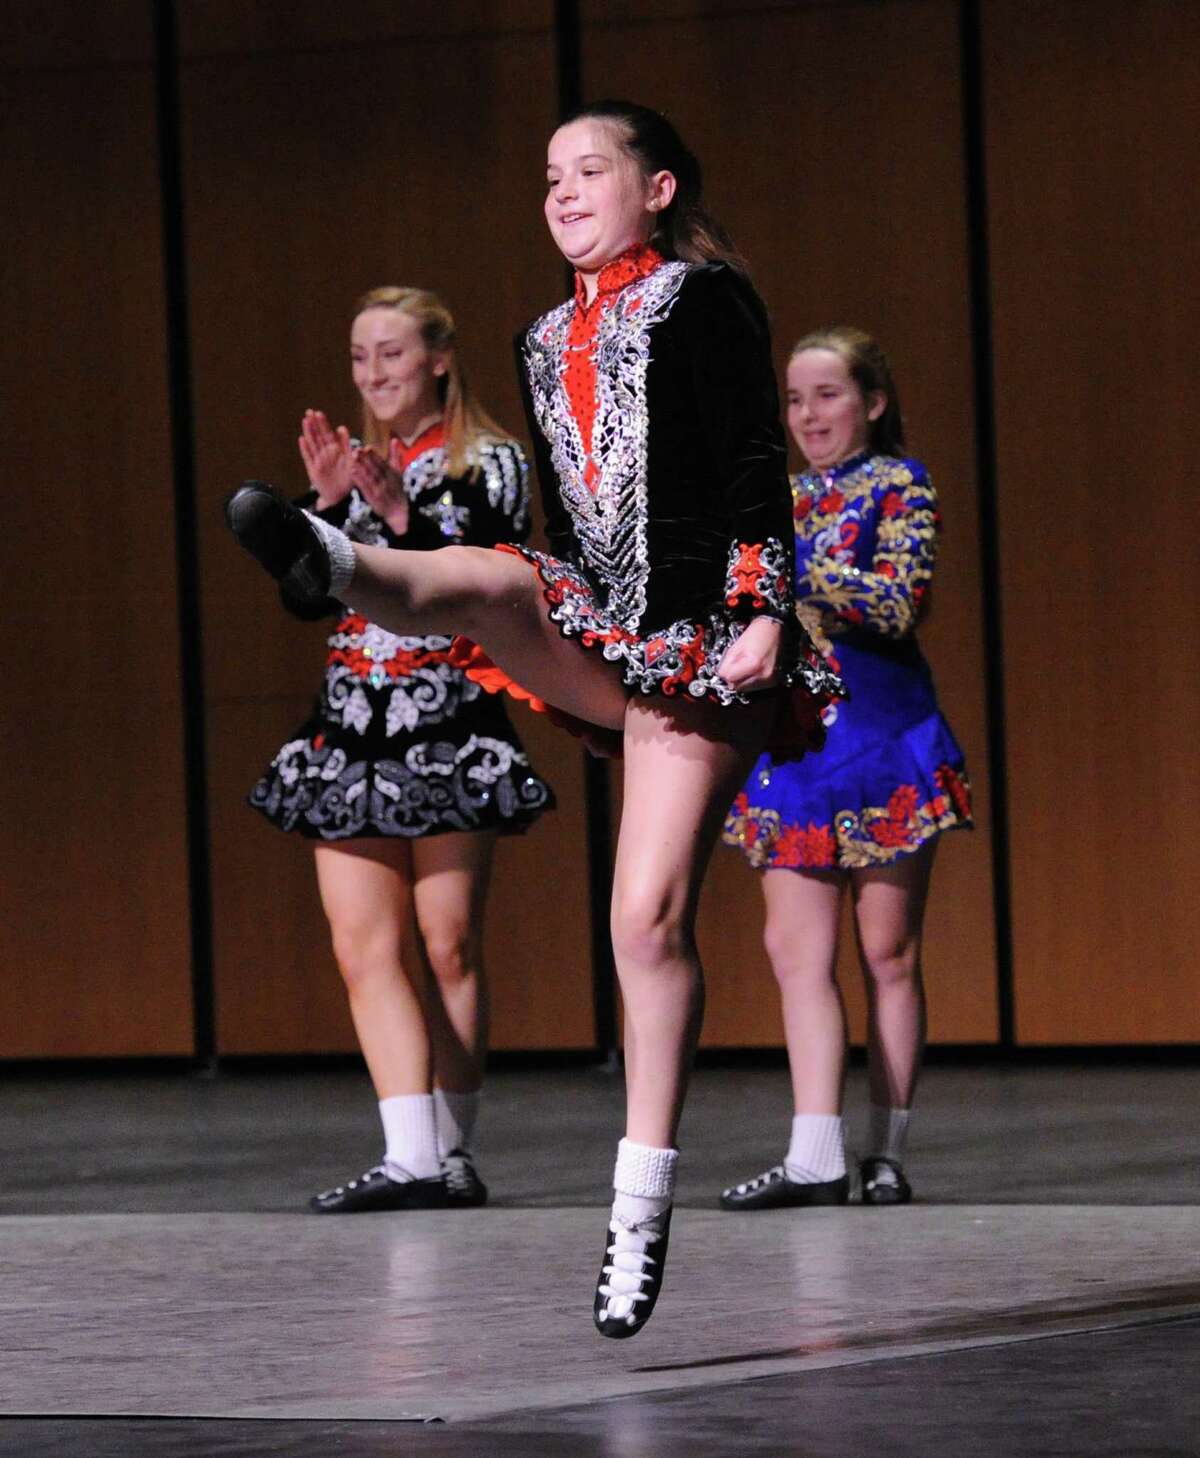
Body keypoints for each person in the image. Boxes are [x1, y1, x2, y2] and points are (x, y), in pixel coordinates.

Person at [227, 101, 843, 1337]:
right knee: (500, 581)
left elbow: (745, 464)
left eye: (591, 170)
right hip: (605, 626)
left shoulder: (706, 301)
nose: (562, 191)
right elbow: (572, 517)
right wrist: (574, 648)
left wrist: (765, 603)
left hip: (707, 645)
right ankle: (329, 557)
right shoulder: (540, 331)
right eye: (550, 175)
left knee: (643, 918)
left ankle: (638, 1201)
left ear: (657, 189)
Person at [249, 287, 554, 1214]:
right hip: (349, 726)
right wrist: (332, 507)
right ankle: (410, 1155)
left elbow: (491, 581)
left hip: (448, 726)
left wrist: (406, 520)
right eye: (358, 357)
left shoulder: (490, 461)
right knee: (361, 946)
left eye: (390, 353)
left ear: (438, 359)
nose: (373, 373)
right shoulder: (349, 466)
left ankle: (452, 1150)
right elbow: (305, 597)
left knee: (448, 942)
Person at [719, 327, 972, 1211]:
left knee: (886, 951)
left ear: (871, 401)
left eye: (828, 394)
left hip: (884, 742)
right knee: (796, 951)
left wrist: (793, 574)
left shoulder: (901, 484)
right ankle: (815, 1155)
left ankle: (888, 1152)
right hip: (796, 749)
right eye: (794, 399)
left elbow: (899, 600)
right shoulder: (775, 500)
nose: (808, 415)